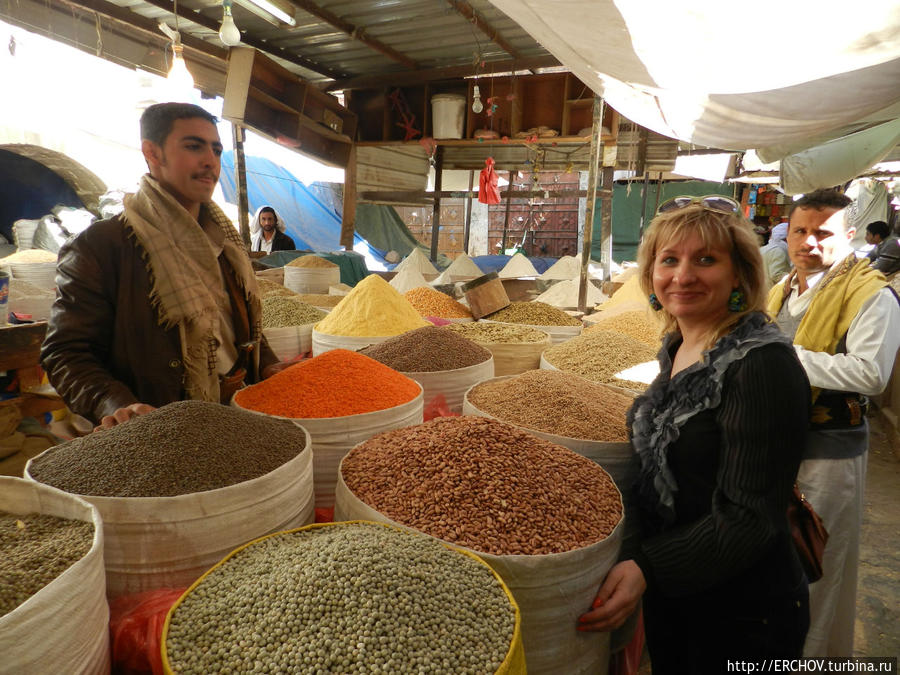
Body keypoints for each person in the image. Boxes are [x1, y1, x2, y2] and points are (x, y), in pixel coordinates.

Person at [578, 196, 811, 673]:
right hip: (680, 592)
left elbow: (751, 518)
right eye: (669, 260)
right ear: (650, 276)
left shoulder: (760, 363)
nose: (682, 276)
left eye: (705, 260)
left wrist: (645, 567)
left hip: (743, 610)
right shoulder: (679, 346)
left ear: (740, 276)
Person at [42, 102, 275, 429]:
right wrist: (119, 404)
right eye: (193, 146)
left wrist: (267, 366)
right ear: (152, 153)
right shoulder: (101, 247)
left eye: (216, 150)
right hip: (159, 427)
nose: (210, 161)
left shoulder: (225, 242)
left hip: (237, 414)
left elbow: (242, 329)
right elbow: (66, 353)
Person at [766, 189, 900, 657]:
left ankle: (811, 661)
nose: (809, 242)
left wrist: (782, 358)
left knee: (817, 567)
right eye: (800, 231)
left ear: (848, 237)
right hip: (775, 446)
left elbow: (870, 373)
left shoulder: (871, 296)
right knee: (778, 567)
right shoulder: (782, 290)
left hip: (829, 451)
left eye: (823, 233)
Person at [760, 221, 791, 286]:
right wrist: (794, 277)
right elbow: (776, 275)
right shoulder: (779, 251)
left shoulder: (764, 248)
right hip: (771, 291)